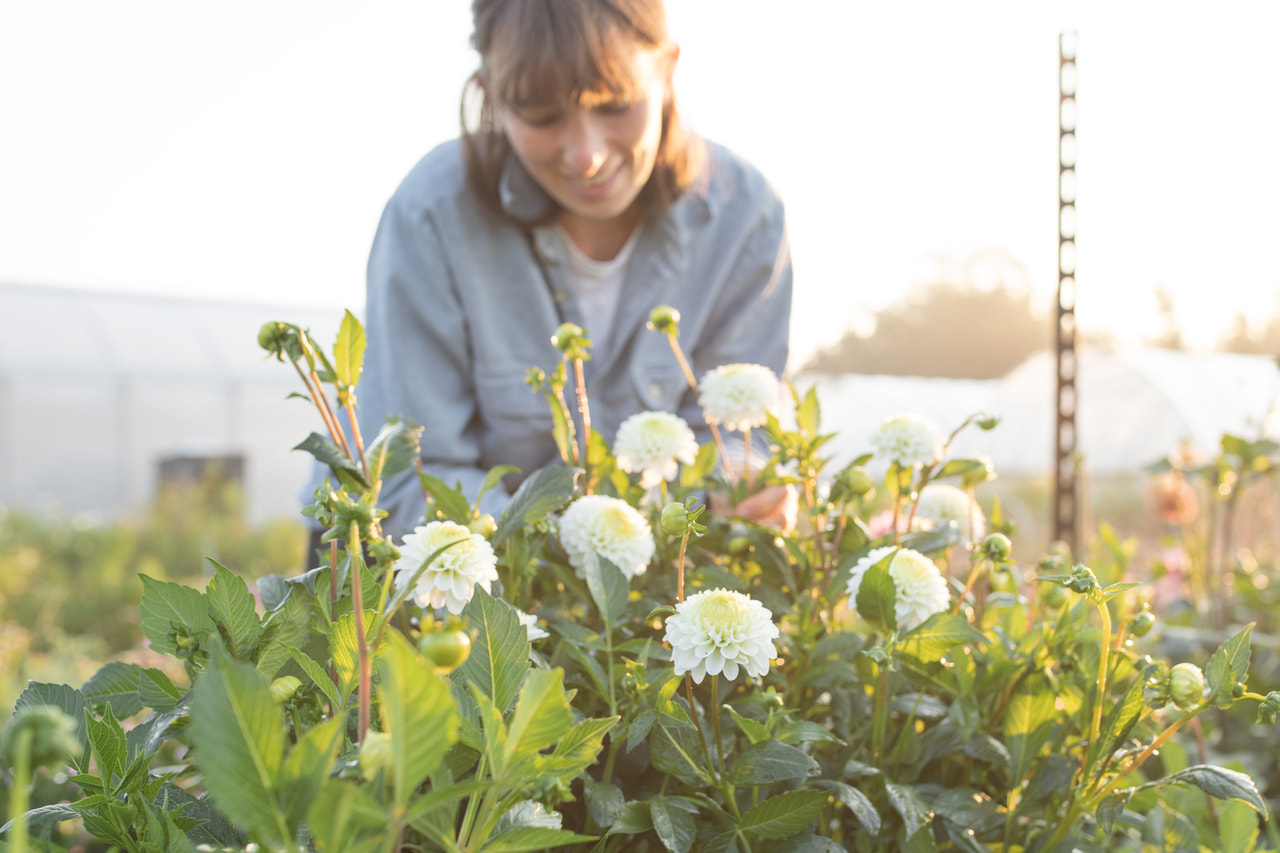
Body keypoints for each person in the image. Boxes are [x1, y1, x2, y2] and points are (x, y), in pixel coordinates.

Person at [338, 0, 793, 541]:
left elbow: (737, 437)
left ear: (667, 67)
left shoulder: (743, 216)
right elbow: (404, 481)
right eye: (541, 117)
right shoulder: (432, 213)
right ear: (491, 94)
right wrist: (585, 543)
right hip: (434, 582)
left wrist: (742, 488)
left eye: (616, 103)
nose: (587, 157)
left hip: (652, 579)